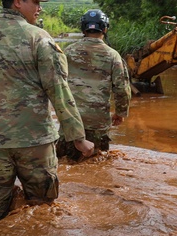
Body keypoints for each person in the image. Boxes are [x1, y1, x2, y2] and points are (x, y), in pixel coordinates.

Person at [0, 0, 93, 225]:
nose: (40, 7)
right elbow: (58, 90)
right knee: (42, 211)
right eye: (36, 1)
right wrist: (78, 137)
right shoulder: (39, 38)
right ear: (18, 2)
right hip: (34, 141)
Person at [56, 9, 131, 162]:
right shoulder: (112, 55)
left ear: (83, 29)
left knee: (64, 162)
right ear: (105, 29)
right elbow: (122, 88)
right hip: (97, 122)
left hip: (70, 121)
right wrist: (120, 113)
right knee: (96, 164)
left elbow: (56, 83)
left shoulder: (68, 52)